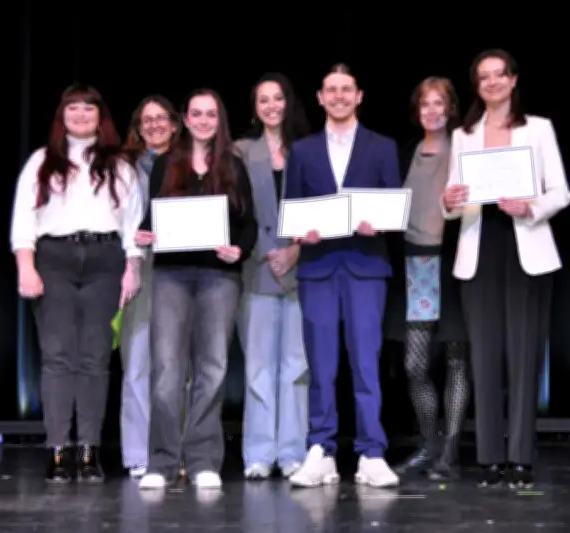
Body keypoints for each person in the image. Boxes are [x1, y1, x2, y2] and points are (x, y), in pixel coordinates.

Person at [441, 49, 570, 488]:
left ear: (514, 80)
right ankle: (489, 457)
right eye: (484, 77)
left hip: (526, 248)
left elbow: (561, 192)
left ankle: (521, 455)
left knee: (524, 354)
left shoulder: (538, 129)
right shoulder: (464, 135)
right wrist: (449, 203)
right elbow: (453, 197)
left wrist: (530, 206)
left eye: (500, 75)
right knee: (484, 355)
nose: (493, 83)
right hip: (480, 247)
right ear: (477, 85)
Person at [9, 83, 144, 484]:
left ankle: (88, 451)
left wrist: (132, 268)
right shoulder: (42, 161)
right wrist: (25, 266)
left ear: (101, 117)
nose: (81, 115)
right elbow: (23, 219)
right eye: (73, 108)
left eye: (89, 109)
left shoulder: (119, 164)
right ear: (62, 116)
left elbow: (133, 224)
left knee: (95, 359)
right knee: (57, 358)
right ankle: (56, 450)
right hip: (54, 260)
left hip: (106, 261)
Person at [135, 88, 258, 490]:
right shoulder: (166, 164)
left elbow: (248, 224)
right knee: (167, 370)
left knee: (213, 368)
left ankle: (204, 459)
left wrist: (238, 249)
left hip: (219, 278)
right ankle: (162, 462)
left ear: (218, 120)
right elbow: (152, 218)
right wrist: (144, 235)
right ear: (185, 120)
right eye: (196, 114)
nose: (203, 120)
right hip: (171, 276)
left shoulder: (233, 166)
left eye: (211, 114)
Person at [285, 63, 400, 488]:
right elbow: (291, 210)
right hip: (317, 267)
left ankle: (372, 451)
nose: (338, 96)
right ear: (319, 97)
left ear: (359, 96)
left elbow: (392, 206)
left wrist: (381, 223)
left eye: (345, 89)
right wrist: (300, 232)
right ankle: (322, 450)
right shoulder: (303, 150)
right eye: (330, 90)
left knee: (366, 364)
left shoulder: (382, 147)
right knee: (321, 366)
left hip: (365, 265)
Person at [386, 77, 470, 481]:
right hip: (416, 265)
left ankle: (449, 453)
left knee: (456, 359)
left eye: (440, 103)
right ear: (417, 110)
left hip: (454, 263)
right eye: (425, 104)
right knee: (415, 362)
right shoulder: (405, 154)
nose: (432, 111)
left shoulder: (464, 153)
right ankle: (429, 443)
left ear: (451, 108)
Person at [233, 73, 311, 480]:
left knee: (297, 366)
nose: (271, 106)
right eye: (263, 100)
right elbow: (235, 213)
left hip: (302, 270)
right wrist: (268, 253)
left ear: (288, 102)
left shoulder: (309, 149)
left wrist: (296, 251)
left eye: (277, 98)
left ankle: (293, 452)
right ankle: (259, 454)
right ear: (255, 106)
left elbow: (322, 208)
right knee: (259, 367)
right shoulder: (241, 150)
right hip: (257, 269)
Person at [119, 95, 180, 479]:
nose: (154, 125)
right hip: (137, 266)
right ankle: (138, 453)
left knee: (178, 367)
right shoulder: (123, 167)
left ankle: (178, 452)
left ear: (175, 124)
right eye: (147, 120)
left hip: (181, 267)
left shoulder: (193, 163)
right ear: (138, 129)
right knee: (137, 362)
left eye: (161, 119)